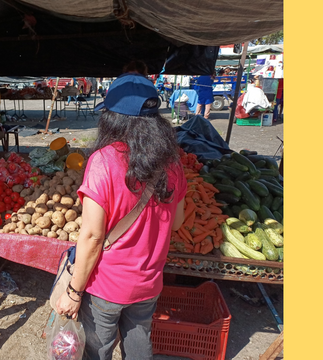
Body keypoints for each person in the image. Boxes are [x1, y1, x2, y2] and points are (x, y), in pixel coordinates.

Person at [55, 72, 187, 360]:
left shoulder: (103, 161)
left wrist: (74, 293)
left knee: (97, 350)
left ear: (112, 117)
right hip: (149, 282)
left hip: (107, 285)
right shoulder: (173, 164)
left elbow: (91, 236)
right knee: (139, 346)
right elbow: (177, 222)